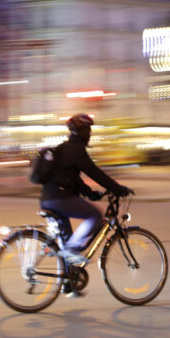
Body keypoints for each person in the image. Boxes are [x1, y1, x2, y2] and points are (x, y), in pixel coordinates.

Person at [40, 113, 132, 268]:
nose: (90, 134)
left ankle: (68, 284)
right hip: (61, 199)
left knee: (67, 245)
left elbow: (73, 178)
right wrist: (117, 189)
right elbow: (95, 173)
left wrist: (90, 193)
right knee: (94, 215)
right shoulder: (76, 149)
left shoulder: (64, 148)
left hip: (48, 198)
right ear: (83, 132)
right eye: (88, 130)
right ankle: (72, 250)